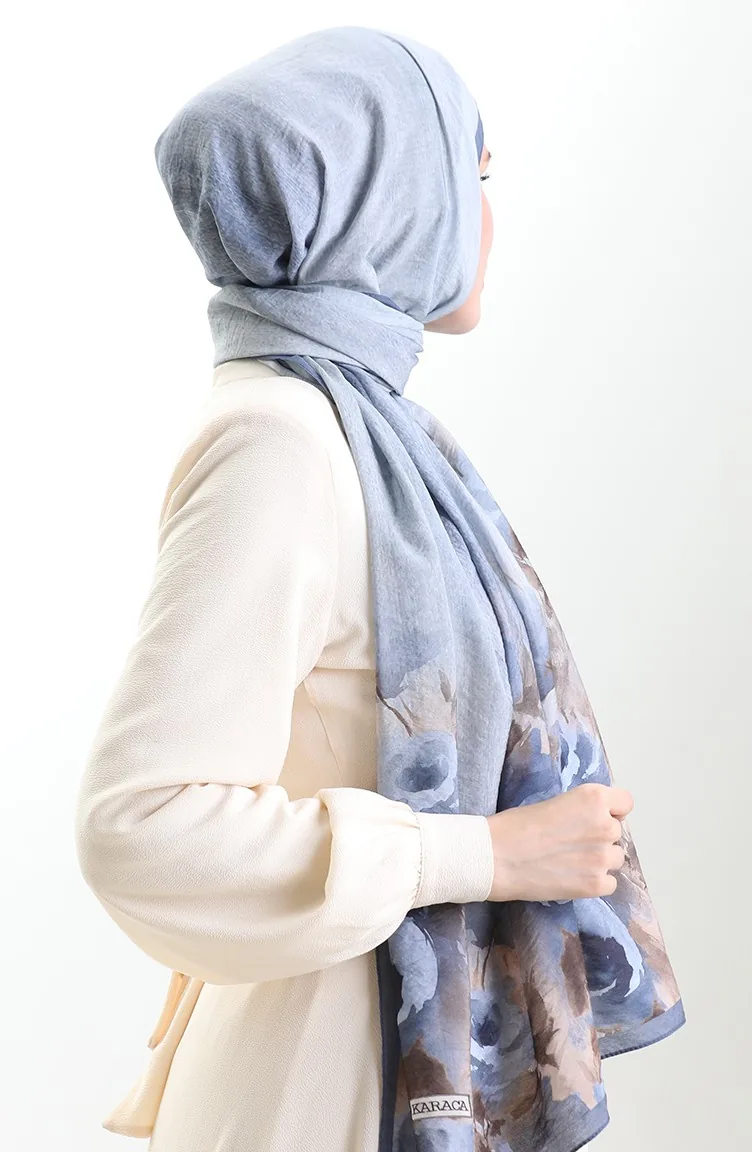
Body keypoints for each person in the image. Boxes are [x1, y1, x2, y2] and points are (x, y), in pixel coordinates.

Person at [74, 26, 675, 1152]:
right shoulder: (279, 439)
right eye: (470, 178)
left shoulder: (372, 434)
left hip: (378, 1053)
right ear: (386, 203)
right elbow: (140, 827)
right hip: (321, 1088)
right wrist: (487, 855)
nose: (487, 219)